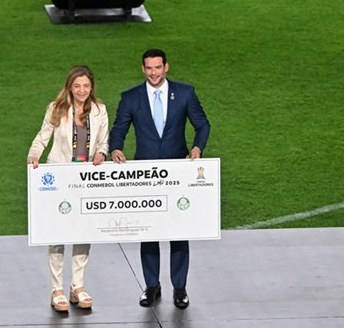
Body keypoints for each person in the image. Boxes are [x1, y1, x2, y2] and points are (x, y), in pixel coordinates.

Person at [109, 49, 210, 309]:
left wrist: (198, 148)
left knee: (179, 231)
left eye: (158, 67)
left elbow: (202, 124)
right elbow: (119, 128)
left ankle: (180, 288)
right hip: (145, 174)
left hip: (178, 173)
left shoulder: (185, 93)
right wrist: (115, 148)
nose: (153, 73)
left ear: (166, 67)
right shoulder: (131, 98)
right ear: (143, 69)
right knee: (148, 231)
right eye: (149, 68)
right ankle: (152, 286)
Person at [28, 65, 109, 312]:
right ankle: (57, 289)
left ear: (91, 86)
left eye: (86, 86)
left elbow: (104, 141)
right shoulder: (57, 108)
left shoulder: (99, 110)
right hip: (60, 177)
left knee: (83, 231)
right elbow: (42, 137)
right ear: (69, 87)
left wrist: (102, 153)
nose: (82, 90)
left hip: (86, 178)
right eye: (77, 86)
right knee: (57, 232)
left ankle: (78, 286)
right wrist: (33, 156)